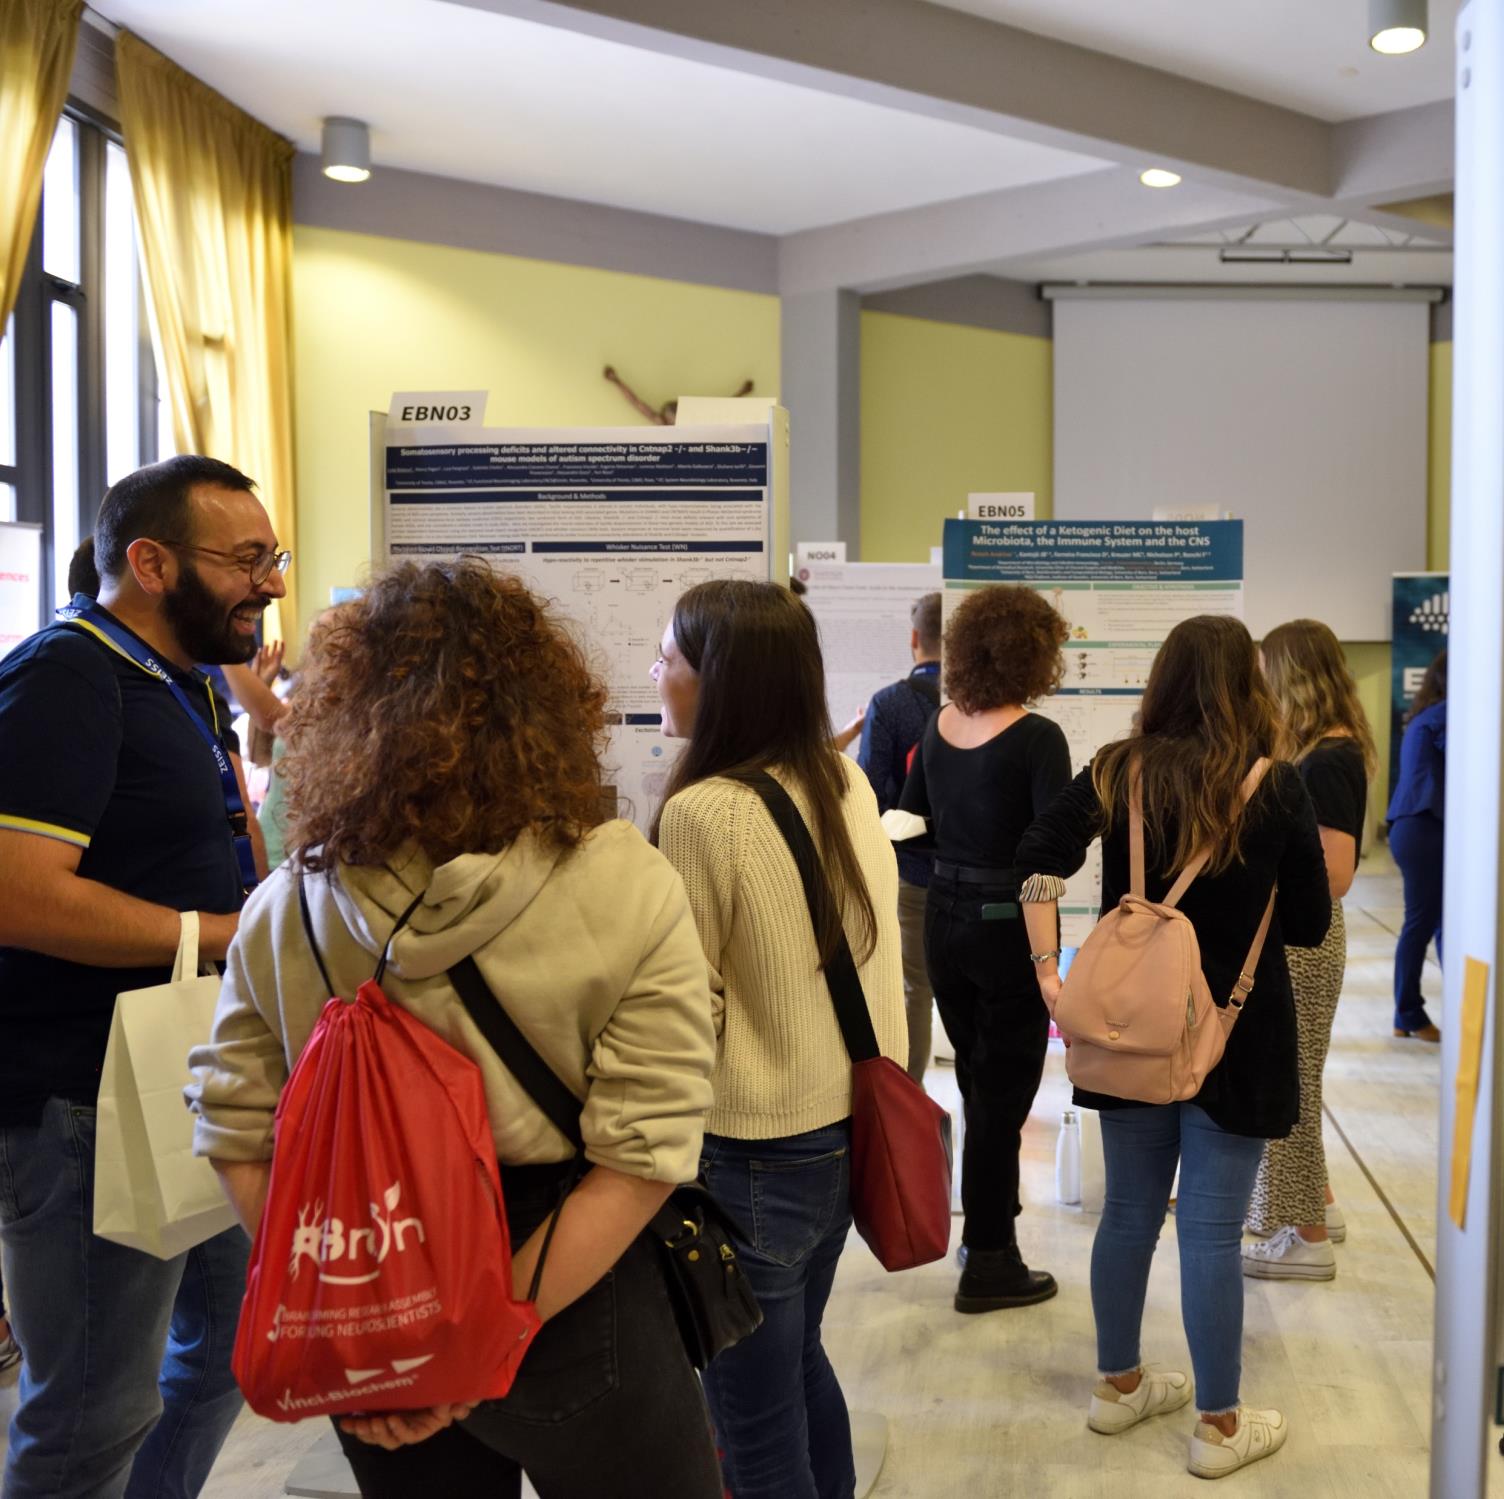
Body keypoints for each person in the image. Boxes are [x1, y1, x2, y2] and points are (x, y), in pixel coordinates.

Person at [188, 560, 723, 1499]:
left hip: (365, 1266)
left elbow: (233, 1125)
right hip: (565, 1283)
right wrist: (476, 1334)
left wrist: (366, 1306)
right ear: (548, 704)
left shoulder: (285, 908)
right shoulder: (623, 883)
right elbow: (646, 1148)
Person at [0, 455, 289, 1498]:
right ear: (151, 561)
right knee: (87, 1412)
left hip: (182, 1074)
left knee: (226, 1348)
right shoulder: (66, 677)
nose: (272, 582)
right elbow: (18, 893)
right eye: (247, 559)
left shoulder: (176, 675)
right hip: (84, 1098)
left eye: (274, 555)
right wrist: (211, 929)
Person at [1015, 614, 1330, 1482]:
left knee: (1126, 1215)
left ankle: (1119, 1383)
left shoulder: (1120, 769)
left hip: (1129, 1027)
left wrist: (1049, 969)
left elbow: (1038, 852)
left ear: (1162, 681)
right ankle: (1220, 1425)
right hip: (1236, 1029)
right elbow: (1307, 923)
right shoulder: (1277, 785)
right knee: (1210, 1233)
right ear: (1247, 686)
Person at [651, 580, 905, 1499]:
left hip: (750, 1153)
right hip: (844, 1133)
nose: (655, 673)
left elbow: (686, 1013)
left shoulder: (703, 813)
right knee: (798, 1366)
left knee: (750, 1427)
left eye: (669, 657)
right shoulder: (844, 779)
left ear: (720, 679)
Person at [897, 584, 1070, 1312]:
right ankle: (992, 1258)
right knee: (1004, 1096)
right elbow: (1045, 865)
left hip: (945, 918)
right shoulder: (1037, 738)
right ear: (1034, 651)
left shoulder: (940, 726)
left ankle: (985, 1228)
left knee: (975, 1082)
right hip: (1007, 929)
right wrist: (1046, 964)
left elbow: (911, 823)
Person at [1242, 620, 1375, 1280]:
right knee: (1302, 1079)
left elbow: (1337, 870)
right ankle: (1315, 1202)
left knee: (1287, 1083)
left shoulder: (1326, 761)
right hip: (1309, 935)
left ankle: (1304, 1233)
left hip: (1304, 938)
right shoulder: (1331, 750)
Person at [856, 591, 942, 1082]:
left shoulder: (888, 704)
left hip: (910, 871)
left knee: (915, 989)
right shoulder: (979, 705)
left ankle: (910, 1098)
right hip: (977, 875)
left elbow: (869, 793)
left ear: (914, 638)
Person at [1387, 649, 1447, 1043]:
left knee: (1438, 924)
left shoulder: (1429, 715)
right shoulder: (1447, 715)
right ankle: (1407, 1011)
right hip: (1424, 828)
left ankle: (1410, 1012)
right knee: (1423, 924)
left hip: (1415, 827)